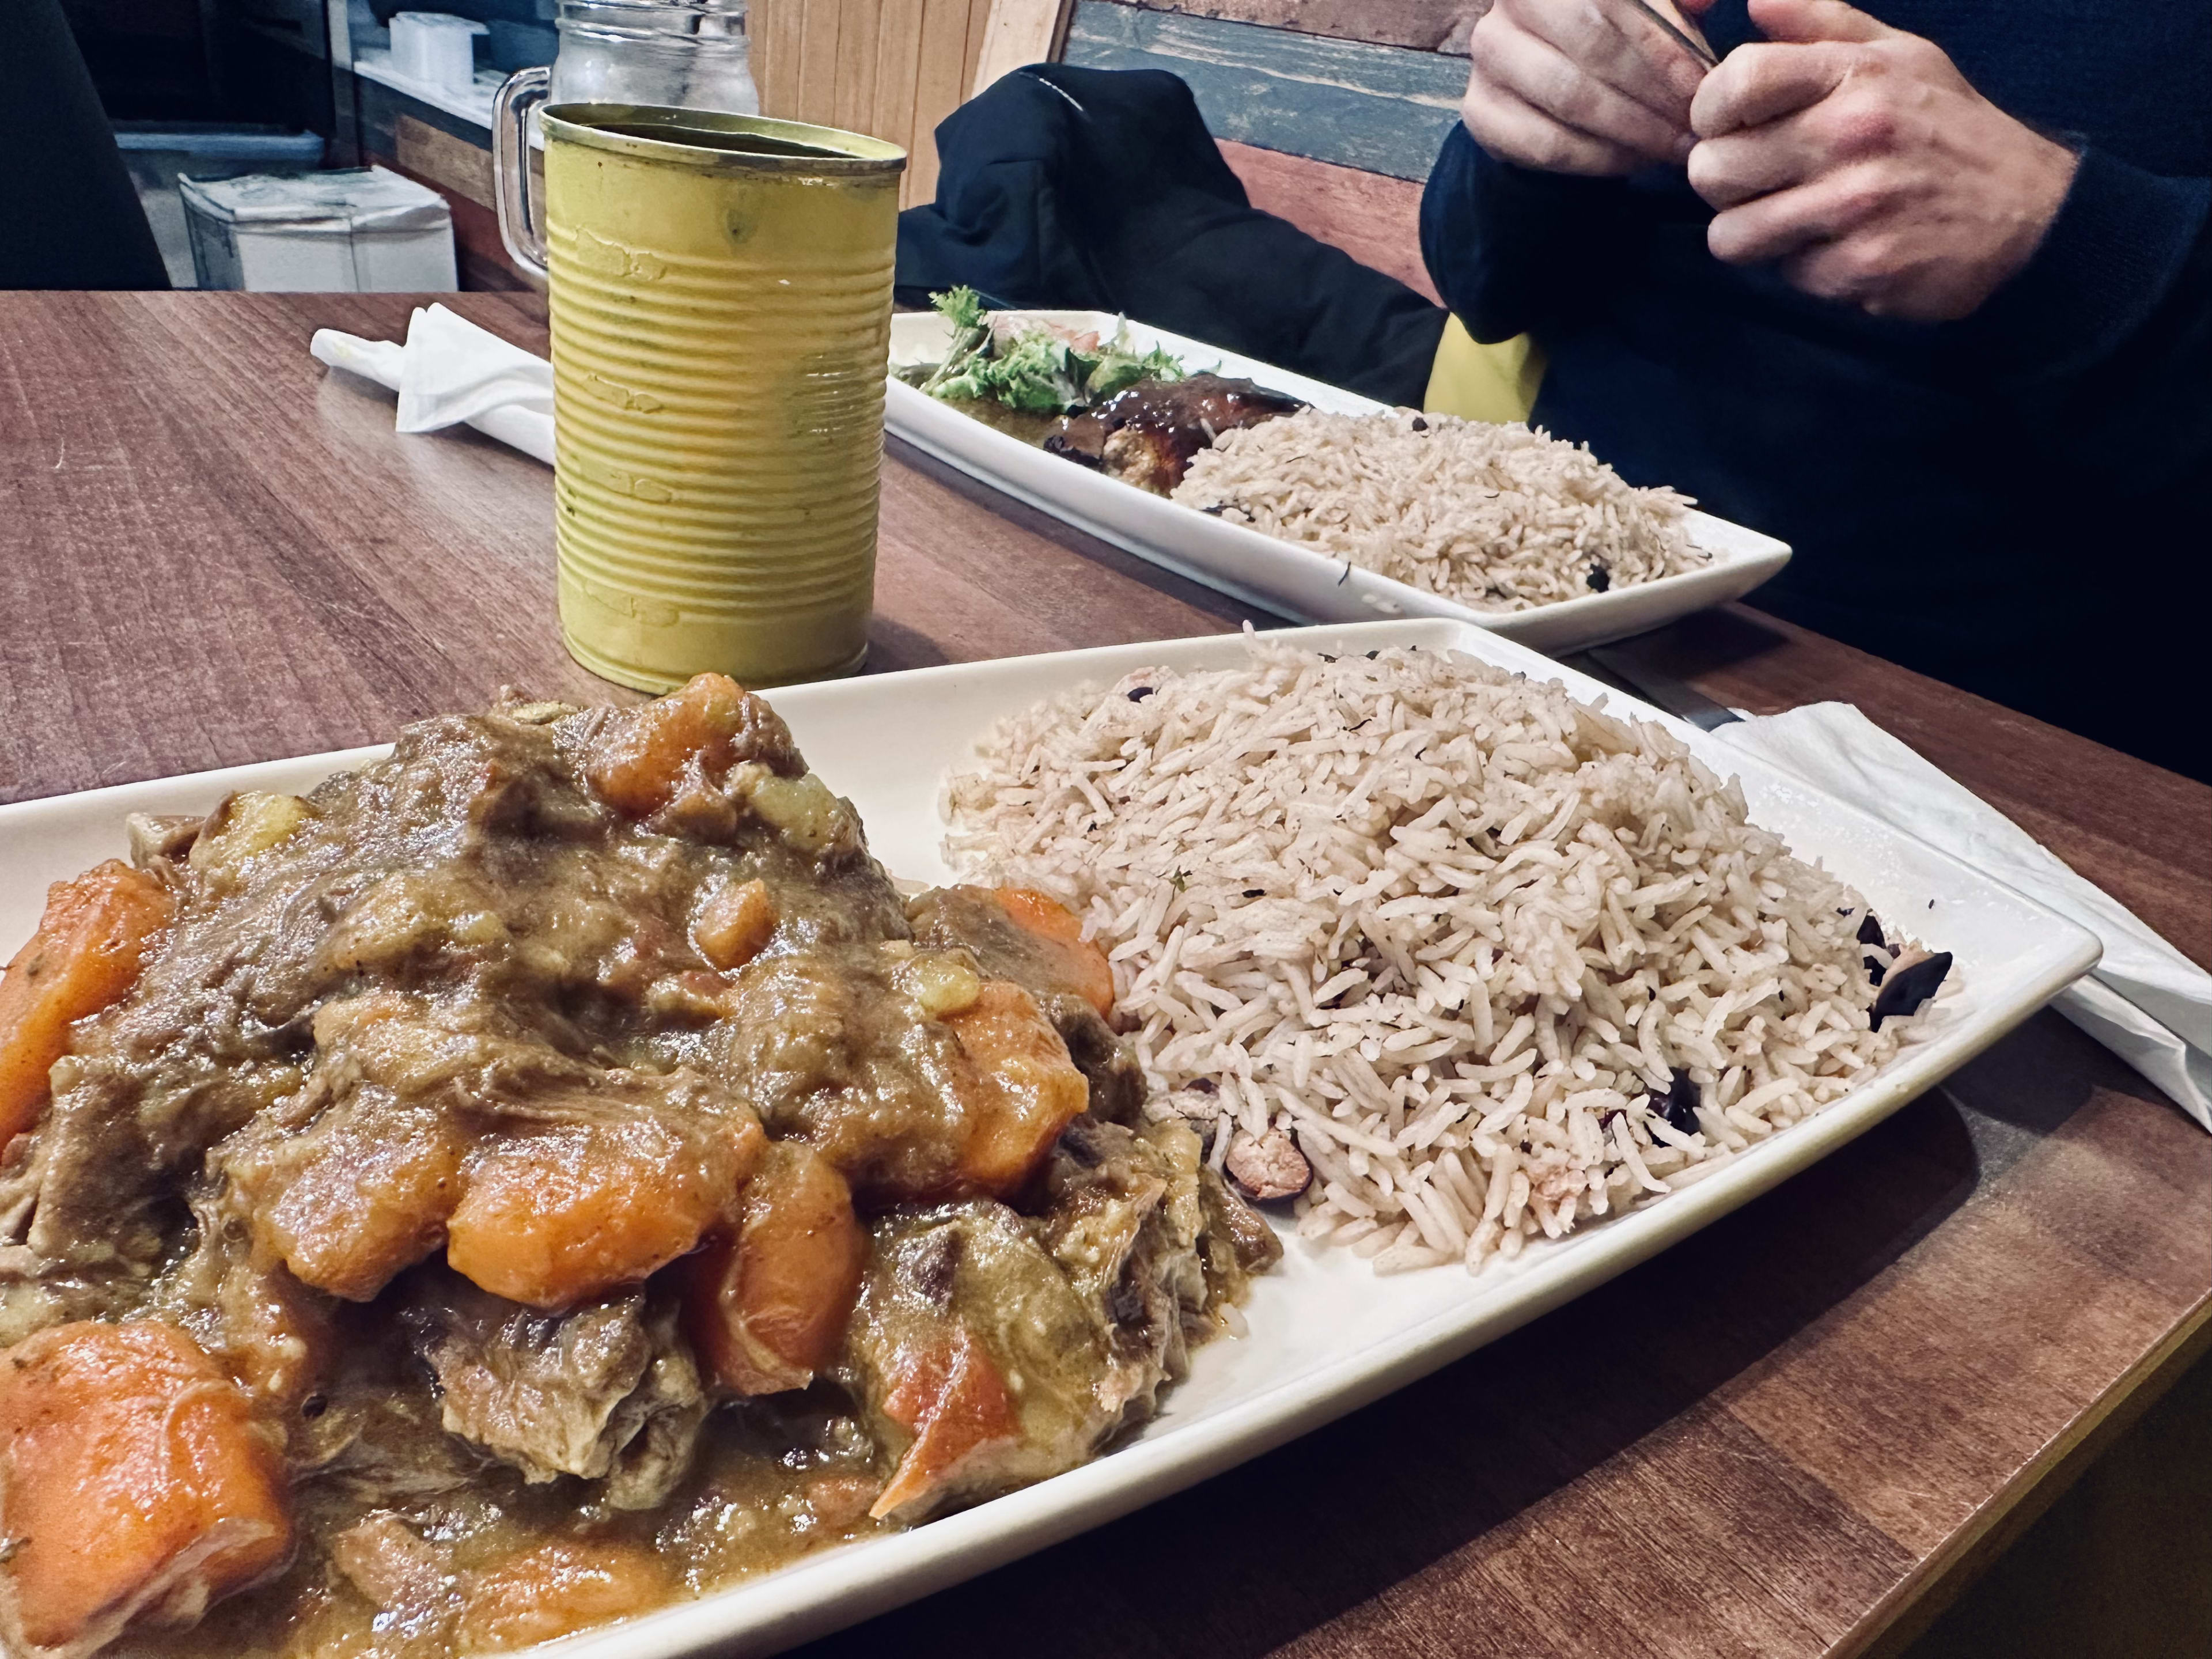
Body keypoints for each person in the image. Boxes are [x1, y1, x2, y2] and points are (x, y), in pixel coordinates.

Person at [1422, 0, 2210, 782]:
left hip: (2005, 760)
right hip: (1537, 630)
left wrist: (2063, 232)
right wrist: (1527, 136)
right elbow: (1481, 285)